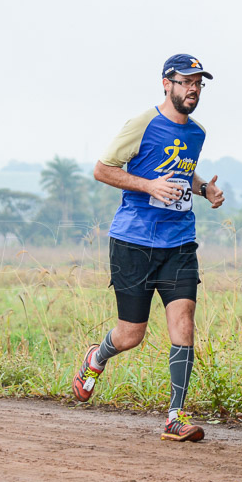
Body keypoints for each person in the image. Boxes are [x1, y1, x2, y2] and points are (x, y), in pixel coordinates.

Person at [73, 53, 225, 442]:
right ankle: (97, 357)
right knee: (130, 335)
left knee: (184, 323)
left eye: (198, 83)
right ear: (166, 83)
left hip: (179, 243)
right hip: (133, 242)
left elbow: (180, 170)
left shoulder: (197, 133)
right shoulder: (142, 123)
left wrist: (204, 188)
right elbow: (102, 169)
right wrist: (148, 185)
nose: (193, 89)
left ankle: (176, 416)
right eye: (186, 81)